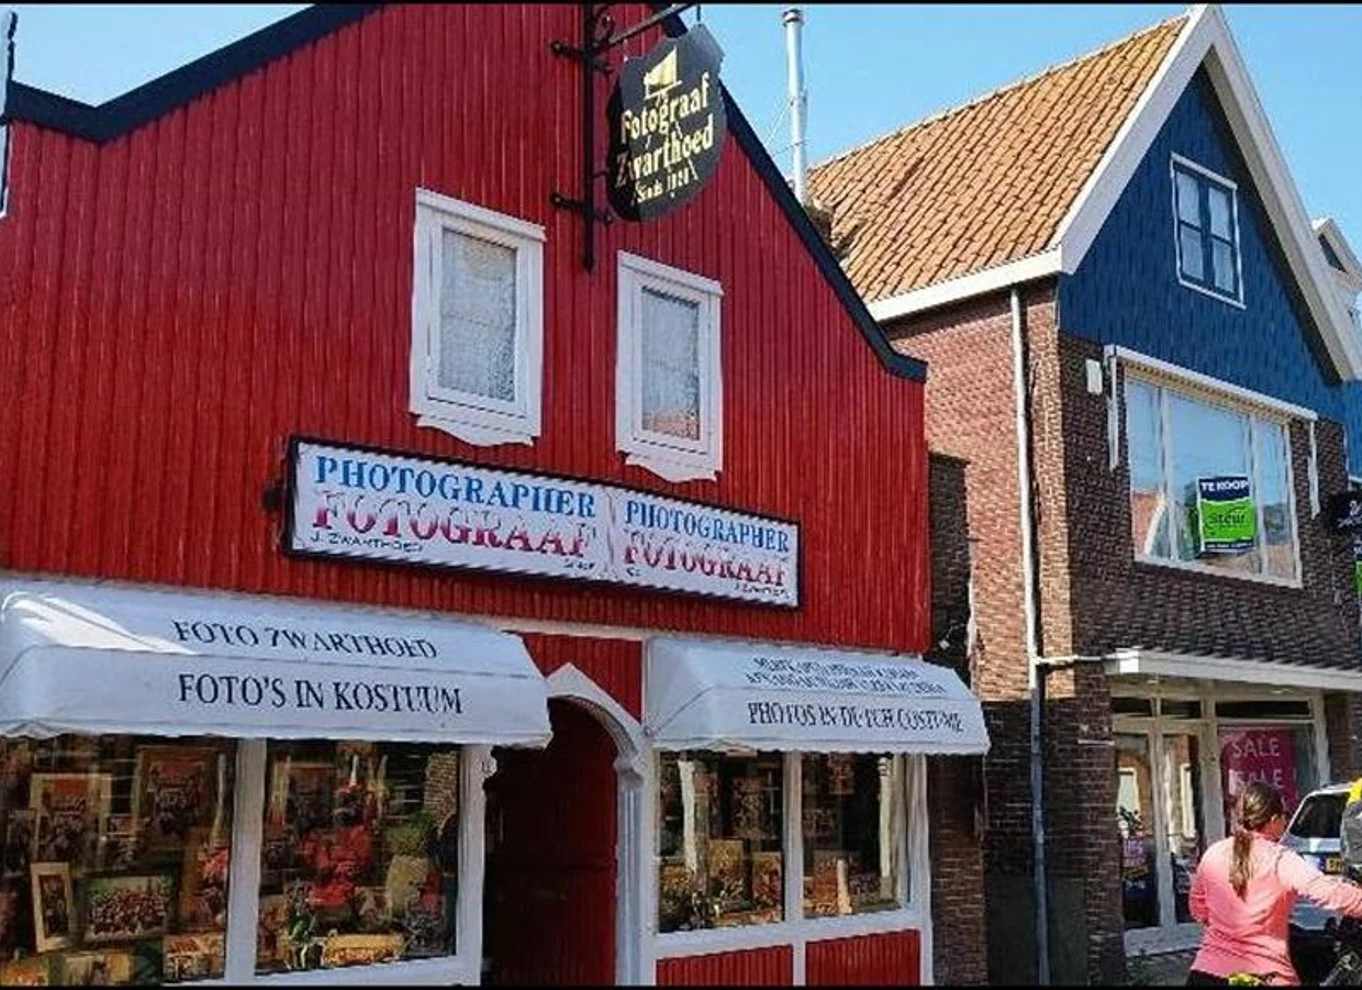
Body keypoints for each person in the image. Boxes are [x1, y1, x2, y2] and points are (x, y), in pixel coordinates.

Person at [1187, 780, 1362, 985]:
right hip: (1263, 975)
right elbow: (1329, 893)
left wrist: (1229, 925)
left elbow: (1198, 908)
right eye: (1284, 816)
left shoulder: (1213, 853)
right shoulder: (1280, 859)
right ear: (1273, 819)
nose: (1286, 821)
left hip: (1206, 973)